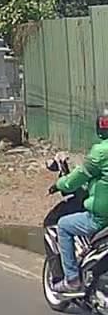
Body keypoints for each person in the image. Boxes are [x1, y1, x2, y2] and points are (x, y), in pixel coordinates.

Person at [50, 112, 108, 294]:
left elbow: (77, 178)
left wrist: (59, 184)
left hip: (101, 218)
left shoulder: (100, 152)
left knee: (64, 225)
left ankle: (72, 279)